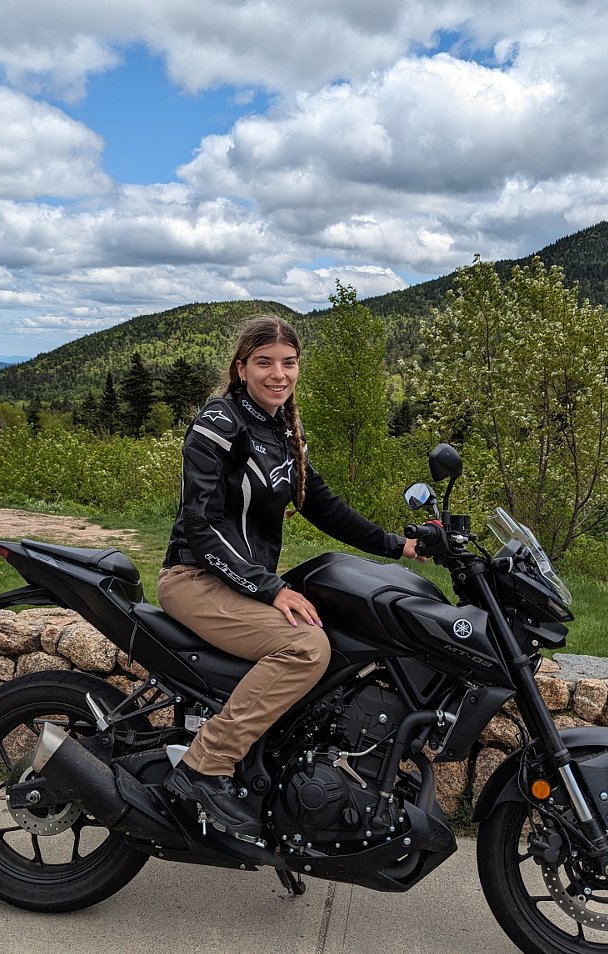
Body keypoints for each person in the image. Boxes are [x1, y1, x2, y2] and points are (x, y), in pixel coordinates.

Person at [158, 314, 423, 836]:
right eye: (264, 363)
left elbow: (320, 503)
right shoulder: (220, 423)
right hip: (195, 579)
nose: (278, 374)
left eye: (288, 363)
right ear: (241, 368)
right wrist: (271, 587)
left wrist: (399, 545)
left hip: (241, 581)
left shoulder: (282, 428)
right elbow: (200, 523)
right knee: (307, 647)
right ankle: (203, 765)